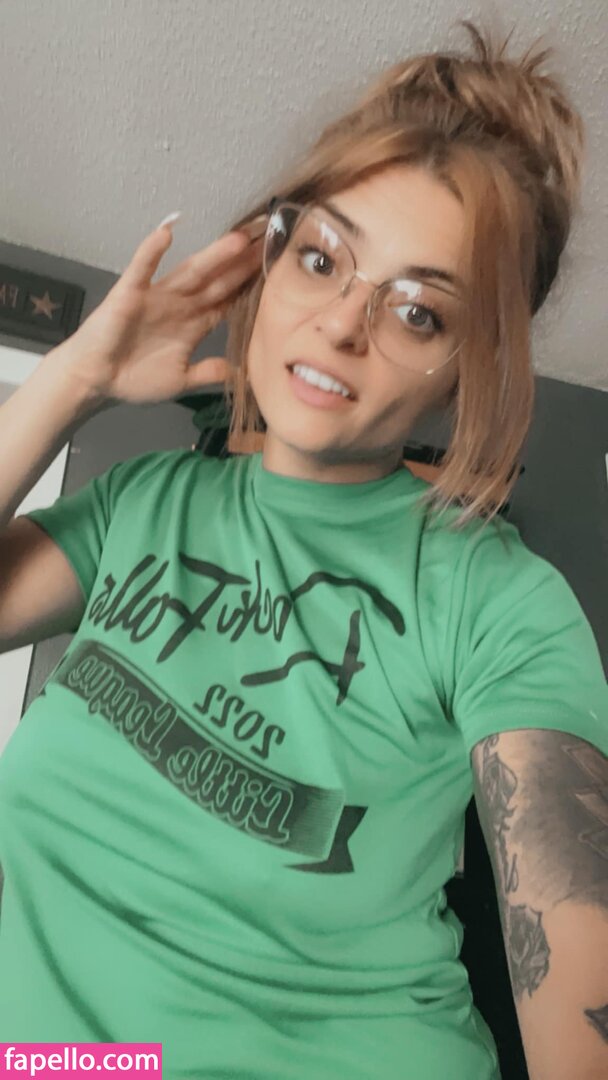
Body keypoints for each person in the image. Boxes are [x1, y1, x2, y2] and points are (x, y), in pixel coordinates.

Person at [0, 18, 606, 1080]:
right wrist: (72, 381)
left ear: (470, 370)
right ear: (266, 264)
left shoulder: (499, 602)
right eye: (320, 258)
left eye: (417, 313)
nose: (340, 325)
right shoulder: (145, 504)